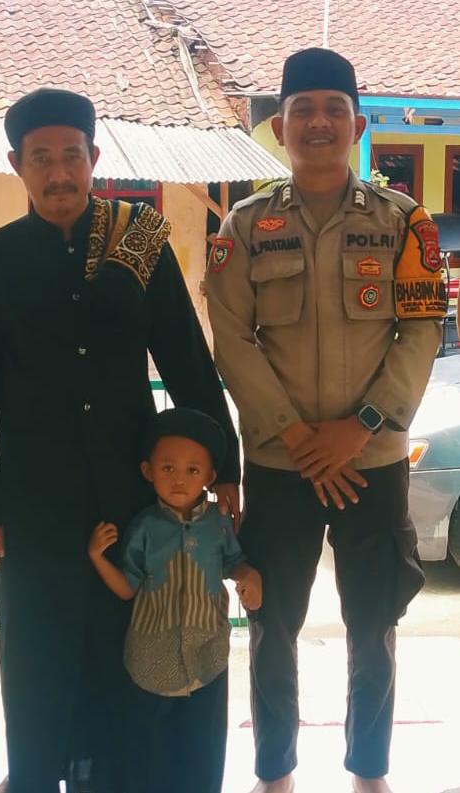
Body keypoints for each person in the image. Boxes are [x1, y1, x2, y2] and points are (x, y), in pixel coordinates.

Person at [0, 87, 241, 793]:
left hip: (129, 492)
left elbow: (187, 358)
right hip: (33, 499)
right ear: (17, 164)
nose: (59, 173)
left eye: (71, 156)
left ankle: (118, 777)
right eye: (42, 158)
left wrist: (226, 466)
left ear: (94, 157)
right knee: (38, 650)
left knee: (125, 643)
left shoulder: (138, 241)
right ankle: (36, 774)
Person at [205, 48, 446, 793]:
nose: (318, 122)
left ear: (358, 126)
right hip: (281, 466)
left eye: (334, 109)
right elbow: (230, 337)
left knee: (374, 625)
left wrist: (360, 425)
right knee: (270, 623)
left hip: (371, 462)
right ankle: (275, 771)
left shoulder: (404, 222)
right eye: (302, 110)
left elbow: (421, 329)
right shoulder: (246, 226)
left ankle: (368, 771)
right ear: (280, 128)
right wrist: (296, 435)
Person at [88, 407, 261, 793]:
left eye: (192, 470)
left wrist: (249, 575)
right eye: (168, 468)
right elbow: (127, 587)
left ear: (210, 477)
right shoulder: (144, 528)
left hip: (207, 658)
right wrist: (97, 557)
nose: (179, 479)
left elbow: (233, 563)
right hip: (151, 661)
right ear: (148, 471)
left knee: (204, 752)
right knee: (148, 755)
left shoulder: (218, 526)